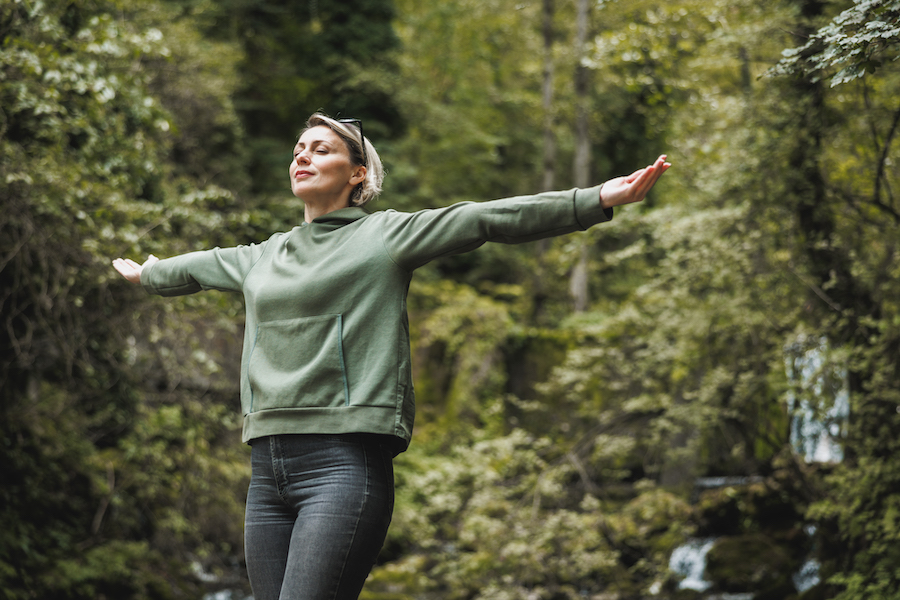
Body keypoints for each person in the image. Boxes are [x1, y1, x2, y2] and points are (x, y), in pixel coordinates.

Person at [113, 112, 671, 600]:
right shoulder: (263, 256)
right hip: (267, 472)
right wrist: (150, 274)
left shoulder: (386, 236)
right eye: (298, 150)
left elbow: (484, 218)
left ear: (358, 174)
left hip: (343, 465)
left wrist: (595, 199)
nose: (303, 157)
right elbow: (196, 266)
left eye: (321, 149)